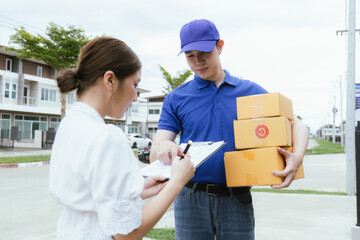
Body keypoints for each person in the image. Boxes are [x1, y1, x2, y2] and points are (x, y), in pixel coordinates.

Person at [150, 19, 309, 240]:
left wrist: (297, 157)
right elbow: (155, 151)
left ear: (220, 46)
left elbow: (297, 124)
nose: (198, 62)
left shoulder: (250, 92)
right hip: (189, 197)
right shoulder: (176, 98)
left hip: (237, 197)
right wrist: (163, 147)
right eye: (190, 56)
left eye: (204, 52)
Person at [49, 36, 195, 240]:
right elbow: (126, 234)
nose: (135, 96)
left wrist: (136, 191)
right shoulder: (107, 137)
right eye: (135, 84)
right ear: (110, 80)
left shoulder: (70, 124)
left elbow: (88, 194)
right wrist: (176, 183)